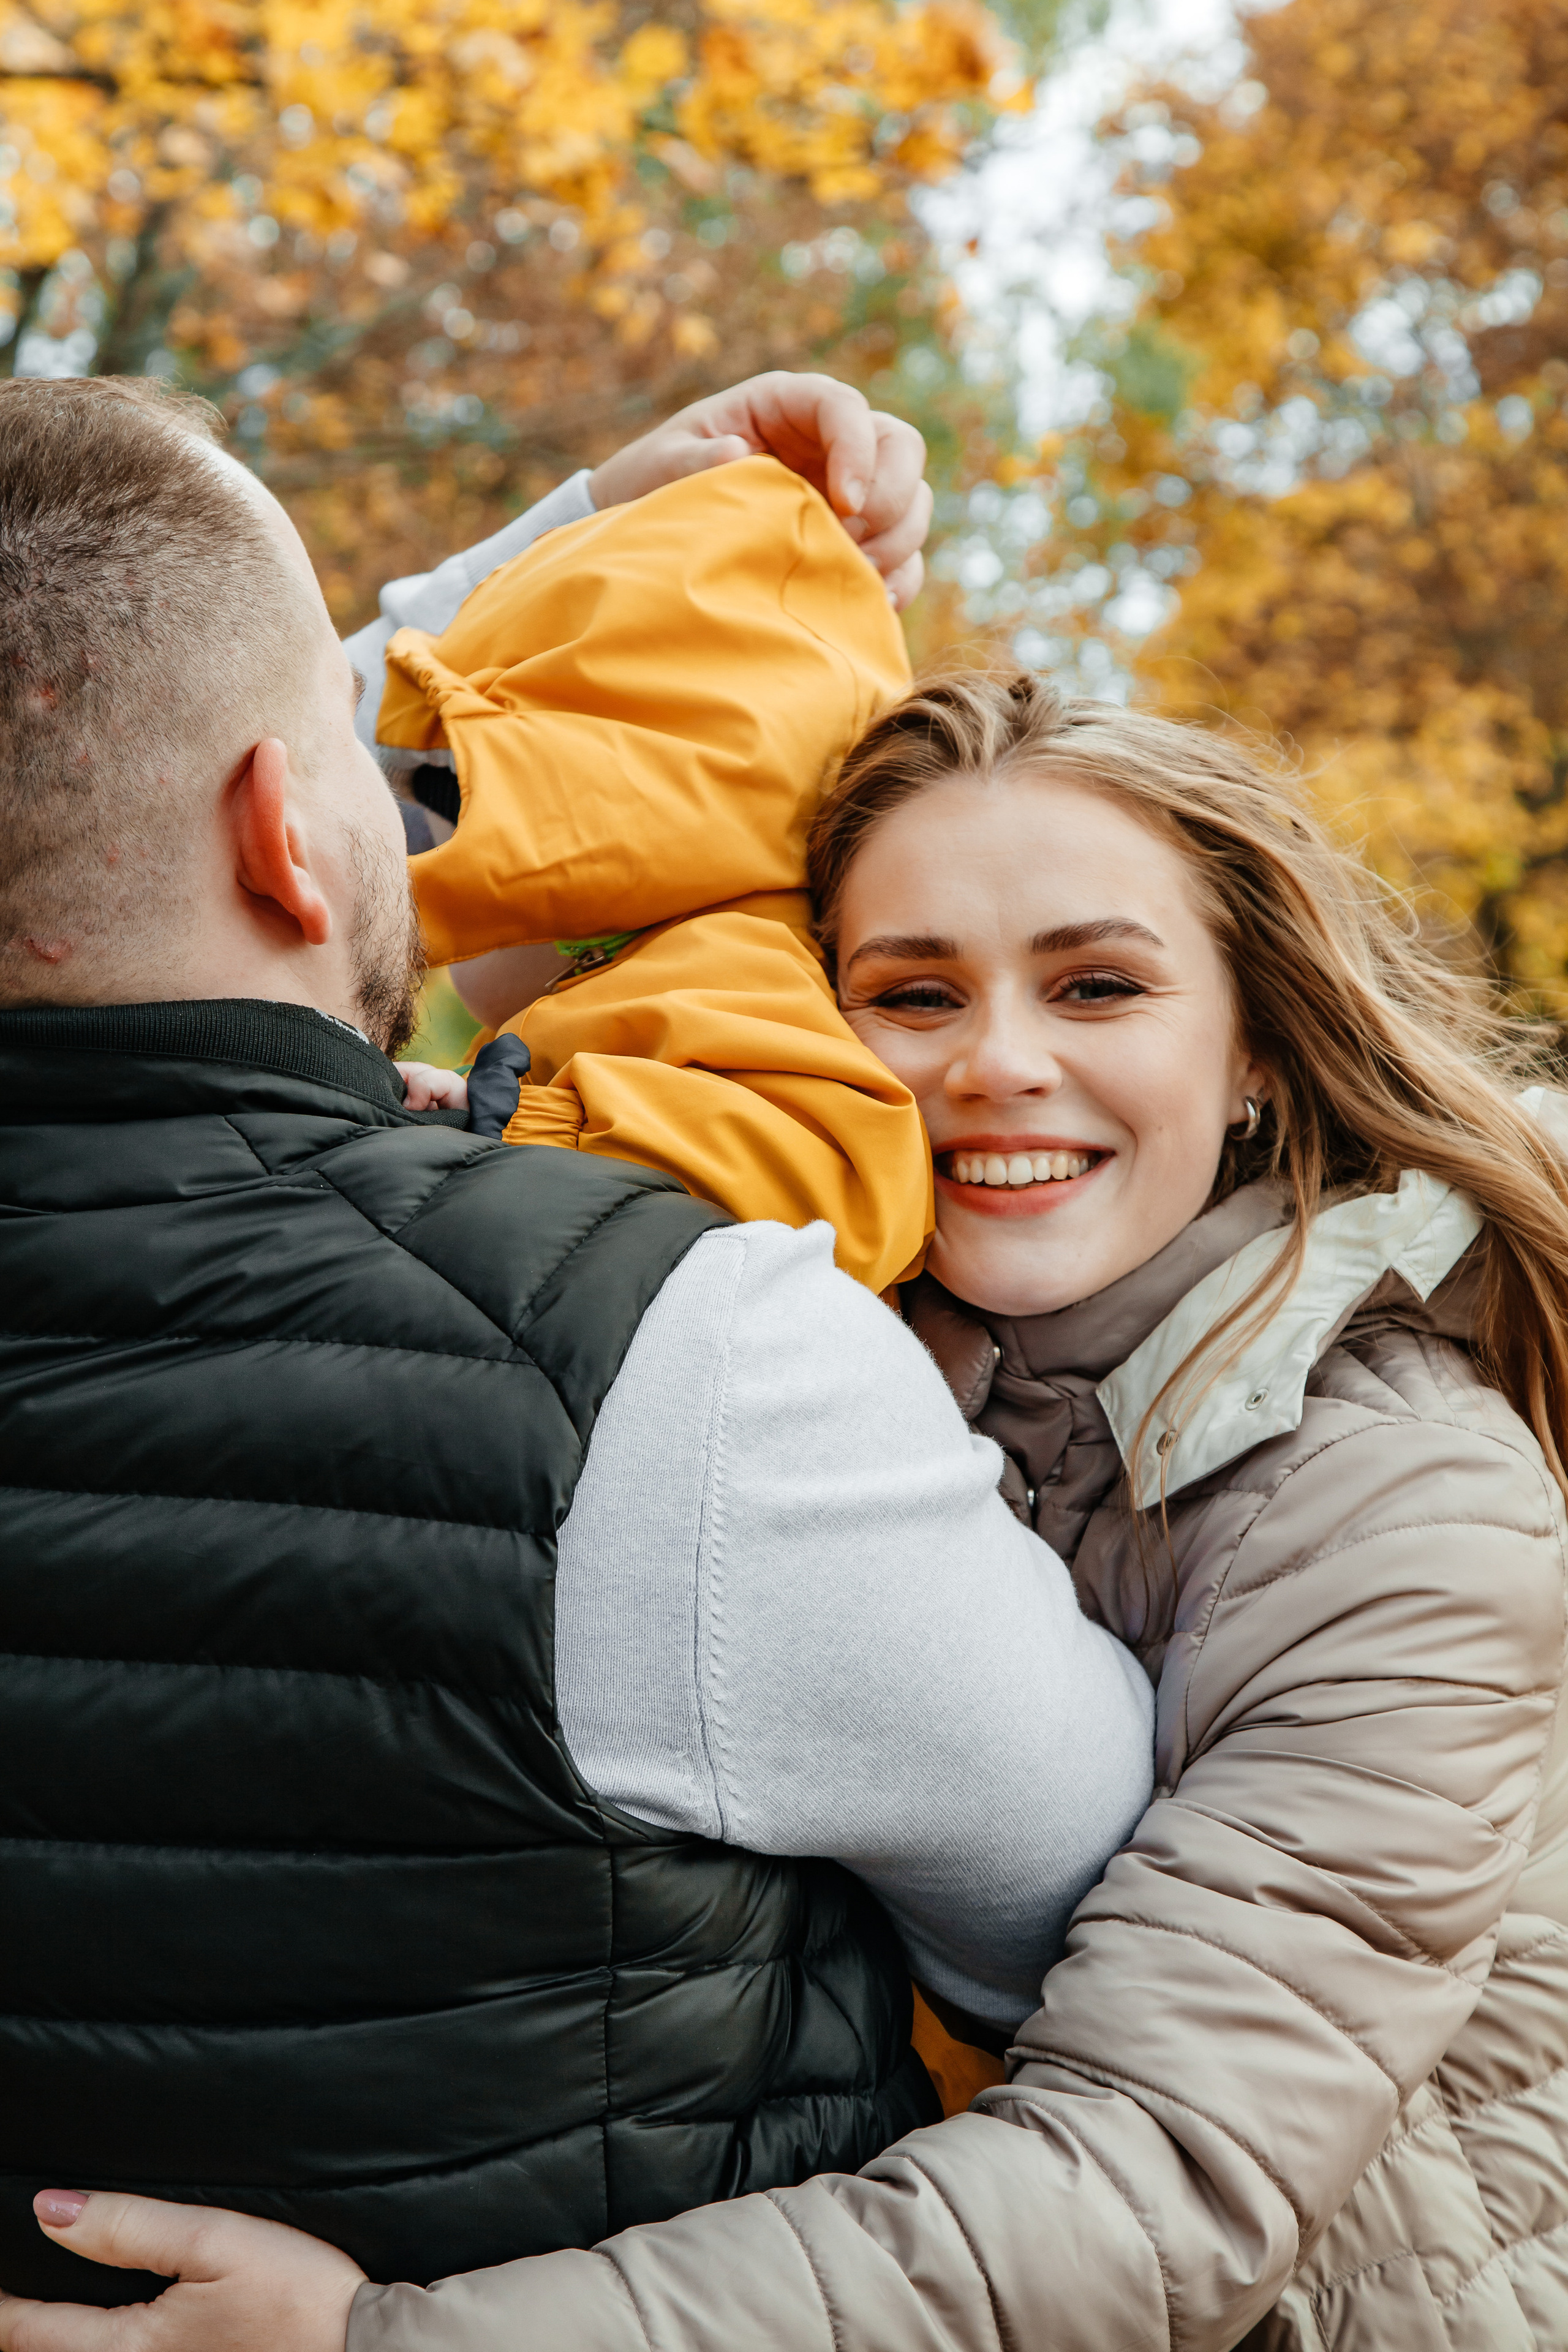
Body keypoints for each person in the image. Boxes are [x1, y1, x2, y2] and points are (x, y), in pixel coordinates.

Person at [17, 622, 1568, 2345]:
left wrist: (397, 2344)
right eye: (911, 994)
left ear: (1259, 1054)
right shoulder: (810, 1333)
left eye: (1098, 987)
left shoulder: (1396, 1503)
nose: (996, 1064)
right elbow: (158, 726)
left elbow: (1155, 2189)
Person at [0, 373, 1155, 2316]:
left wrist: (579, 518)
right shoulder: (674, 1354)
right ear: (294, 835)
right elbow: (1083, 1920)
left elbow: (110, 722)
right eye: (384, 763)